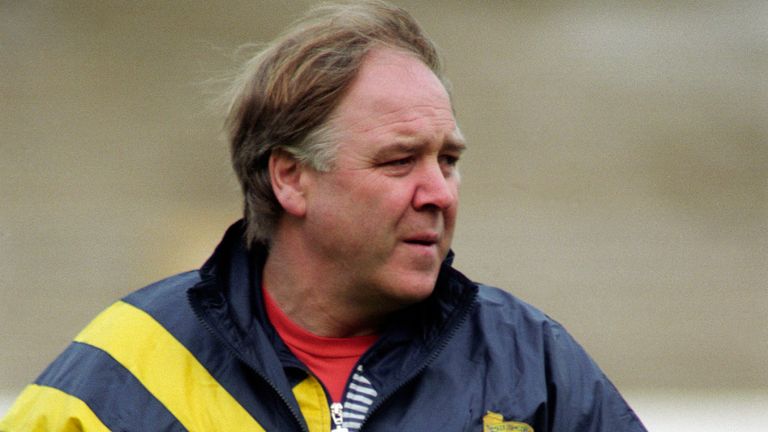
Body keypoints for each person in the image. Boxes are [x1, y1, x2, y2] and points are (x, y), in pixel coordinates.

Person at [1, 1, 646, 431]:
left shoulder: (532, 368)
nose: (439, 192)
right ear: (291, 177)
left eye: (447, 160)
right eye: (399, 162)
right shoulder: (123, 370)